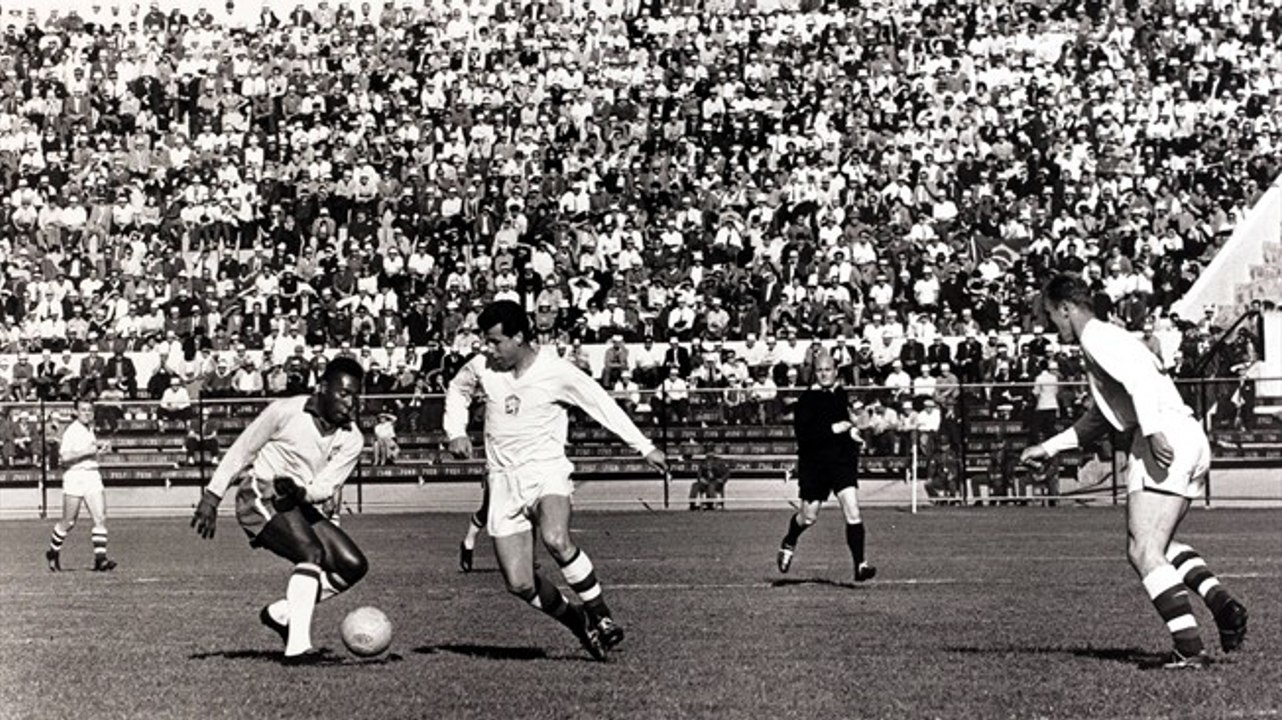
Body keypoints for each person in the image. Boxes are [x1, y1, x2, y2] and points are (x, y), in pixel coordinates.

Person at [1019, 274, 1248, 669]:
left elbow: (1141, 383)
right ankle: (1221, 604)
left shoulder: (1096, 339)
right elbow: (1099, 421)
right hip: (1188, 434)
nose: (1052, 328)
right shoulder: (1112, 338)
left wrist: (1155, 432)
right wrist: (1049, 447)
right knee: (1158, 545)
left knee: (1142, 550)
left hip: (1164, 436)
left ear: (1066, 309)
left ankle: (1189, 648)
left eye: (1052, 318)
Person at [444, 300, 667, 661]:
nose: (489, 349)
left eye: (496, 342)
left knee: (555, 538)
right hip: (502, 479)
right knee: (519, 583)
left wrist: (644, 447)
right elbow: (457, 390)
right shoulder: (482, 367)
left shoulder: (556, 371)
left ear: (519, 338)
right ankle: (579, 623)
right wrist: (455, 431)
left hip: (546, 470)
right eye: (486, 341)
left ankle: (602, 616)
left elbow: (600, 403)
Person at [190, 357, 369, 665]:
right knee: (310, 554)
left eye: (355, 395)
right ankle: (298, 649)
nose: (349, 402)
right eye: (343, 393)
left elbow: (327, 485)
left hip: (297, 502)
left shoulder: (352, 437)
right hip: (259, 493)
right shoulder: (285, 410)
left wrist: (302, 492)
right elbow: (243, 449)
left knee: (352, 565)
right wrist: (212, 495)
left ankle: (283, 613)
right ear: (323, 388)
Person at [776, 352, 876, 583]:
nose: (824, 374)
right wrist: (834, 429)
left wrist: (852, 432)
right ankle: (789, 541)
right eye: (819, 370)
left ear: (835, 371)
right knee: (808, 517)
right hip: (815, 465)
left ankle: (860, 565)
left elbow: (848, 421)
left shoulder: (842, 395)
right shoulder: (806, 401)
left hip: (841, 461)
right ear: (814, 373)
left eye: (828, 369)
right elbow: (804, 436)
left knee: (853, 511)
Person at [46, 399, 117, 572]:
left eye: (89, 410)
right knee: (68, 522)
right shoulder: (72, 431)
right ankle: (53, 552)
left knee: (100, 517)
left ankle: (100, 559)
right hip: (75, 476)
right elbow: (65, 457)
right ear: (76, 412)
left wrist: (99, 451)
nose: (87, 413)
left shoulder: (89, 429)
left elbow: (90, 453)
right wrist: (88, 452)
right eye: (83, 410)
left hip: (92, 475)